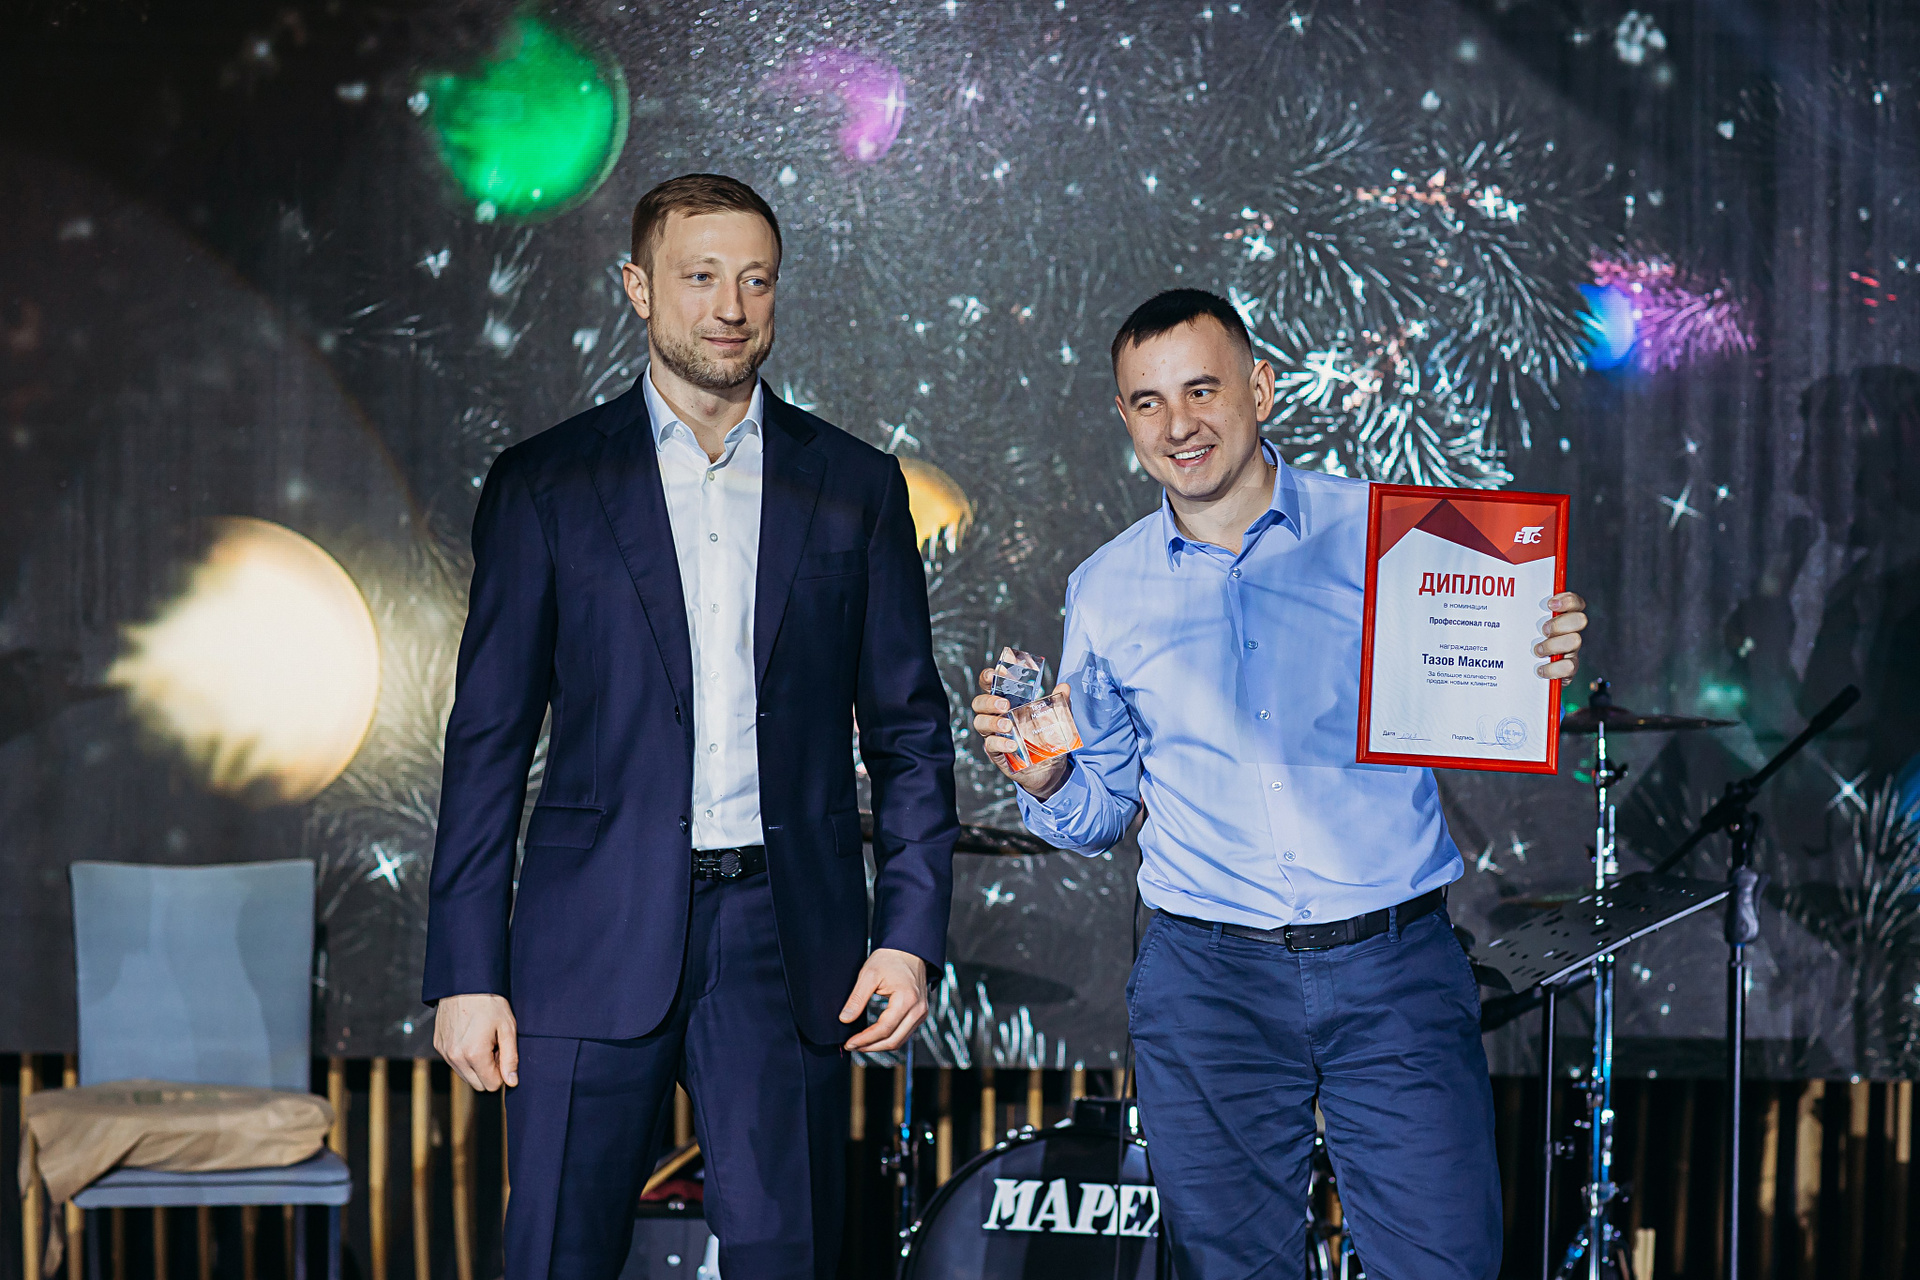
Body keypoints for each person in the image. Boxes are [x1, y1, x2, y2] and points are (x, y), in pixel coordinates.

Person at [970, 288, 1587, 1278]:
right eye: (1148, 401)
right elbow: (1101, 811)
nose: (1179, 424)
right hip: (1208, 983)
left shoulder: (1389, 536)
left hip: (1393, 966)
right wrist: (1046, 777)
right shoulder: (1105, 589)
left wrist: (1533, 651)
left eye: (1202, 390)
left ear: (1259, 388)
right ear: (1124, 418)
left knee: (1444, 1263)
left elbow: (1485, 685)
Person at [423, 173, 958, 1280]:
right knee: (555, 1256)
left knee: (789, 1258)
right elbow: (486, 742)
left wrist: (907, 937)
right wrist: (467, 970)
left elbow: (909, 734)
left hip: (784, 938)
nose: (731, 306)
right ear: (638, 287)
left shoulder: (853, 487)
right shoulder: (546, 483)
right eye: (701, 276)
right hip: (586, 930)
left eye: (756, 280)